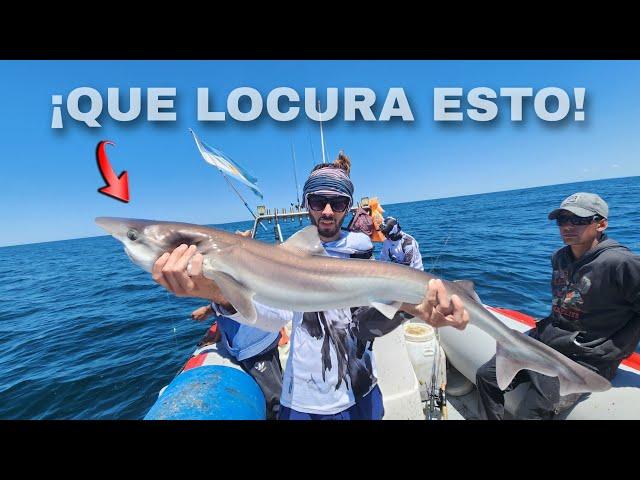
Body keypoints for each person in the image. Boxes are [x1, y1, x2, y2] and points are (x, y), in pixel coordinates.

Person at [152, 152, 469, 420]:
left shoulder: (366, 255)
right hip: (304, 398)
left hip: (361, 389)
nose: (327, 211)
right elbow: (273, 317)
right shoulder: (286, 257)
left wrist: (414, 309)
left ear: (347, 206)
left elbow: (370, 322)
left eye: (338, 202)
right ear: (307, 202)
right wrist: (217, 291)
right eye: (318, 201)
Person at [476, 192, 640, 420]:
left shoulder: (622, 263)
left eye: (579, 220)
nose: (567, 226)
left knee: (531, 412)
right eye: (562, 220)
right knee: (485, 376)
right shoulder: (560, 257)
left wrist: (612, 349)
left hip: (585, 358)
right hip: (548, 343)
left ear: (601, 224)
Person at [190, 303, 283, 420]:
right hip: (251, 344)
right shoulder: (220, 290)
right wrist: (210, 314)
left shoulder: (223, 288)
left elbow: (230, 300)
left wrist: (208, 309)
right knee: (276, 384)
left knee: (274, 399)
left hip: (256, 347)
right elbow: (223, 302)